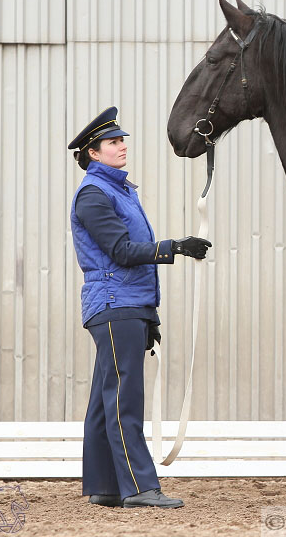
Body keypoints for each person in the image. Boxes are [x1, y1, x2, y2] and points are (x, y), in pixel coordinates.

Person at [69, 107, 211, 509]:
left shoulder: (120, 191)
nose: (121, 145)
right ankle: (140, 488)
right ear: (93, 153)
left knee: (103, 400)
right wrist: (175, 247)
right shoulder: (94, 194)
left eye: (121, 140)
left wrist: (149, 314)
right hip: (115, 305)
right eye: (113, 142)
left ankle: (106, 487)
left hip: (126, 306)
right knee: (123, 401)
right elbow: (120, 251)